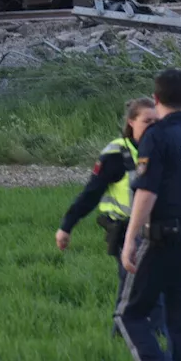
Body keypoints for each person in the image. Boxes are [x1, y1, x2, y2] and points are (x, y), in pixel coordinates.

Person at [116, 69, 181, 361]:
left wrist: (130, 239)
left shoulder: (158, 135)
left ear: (156, 98)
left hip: (163, 240)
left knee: (130, 315)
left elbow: (146, 192)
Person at [55, 98, 167, 341]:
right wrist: (67, 226)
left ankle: (152, 339)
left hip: (158, 229)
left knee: (154, 288)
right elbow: (91, 193)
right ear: (131, 122)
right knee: (136, 288)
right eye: (147, 121)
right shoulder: (117, 153)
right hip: (125, 230)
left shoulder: (162, 148)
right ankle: (124, 339)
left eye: (157, 121)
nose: (153, 126)